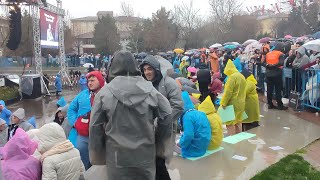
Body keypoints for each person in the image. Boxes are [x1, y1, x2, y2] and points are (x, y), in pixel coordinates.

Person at [89, 51, 173, 180]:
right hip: (146, 154)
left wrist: (98, 155)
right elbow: (167, 114)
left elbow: (94, 126)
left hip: (116, 157)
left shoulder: (104, 93)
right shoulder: (150, 90)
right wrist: (160, 145)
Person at [139, 55, 184, 180]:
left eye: (150, 69)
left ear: (156, 69)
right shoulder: (145, 84)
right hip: (149, 130)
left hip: (165, 129)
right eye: (145, 70)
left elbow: (178, 106)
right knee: (153, 162)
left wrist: (160, 120)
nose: (147, 72)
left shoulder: (169, 83)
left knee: (159, 161)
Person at [67, 71, 105, 170]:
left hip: (101, 134)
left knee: (100, 160)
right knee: (81, 155)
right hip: (83, 134)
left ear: (100, 81)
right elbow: (71, 109)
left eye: (93, 80)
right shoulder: (82, 95)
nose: (89, 83)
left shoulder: (107, 95)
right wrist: (75, 123)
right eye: (88, 81)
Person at [178, 91, 211, 158]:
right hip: (204, 147)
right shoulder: (201, 113)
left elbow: (188, 135)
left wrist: (180, 144)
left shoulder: (187, 117)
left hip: (193, 151)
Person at [220, 60, 246, 135]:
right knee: (238, 121)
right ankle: (239, 137)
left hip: (232, 103)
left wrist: (224, 103)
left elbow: (228, 92)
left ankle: (232, 138)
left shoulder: (232, 77)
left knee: (230, 122)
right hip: (241, 102)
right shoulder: (241, 76)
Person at [265, 44, 288, 110]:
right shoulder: (280, 54)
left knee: (269, 90)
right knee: (278, 90)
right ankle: (280, 105)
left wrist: (269, 66)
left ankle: (270, 104)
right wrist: (274, 65)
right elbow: (281, 63)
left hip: (268, 73)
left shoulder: (268, 54)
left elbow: (264, 62)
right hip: (277, 73)